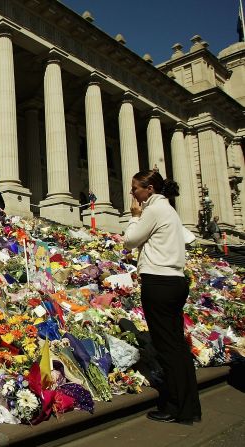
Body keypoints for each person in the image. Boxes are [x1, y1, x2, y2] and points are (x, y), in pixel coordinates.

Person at [123, 169, 201, 425]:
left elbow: (130, 240)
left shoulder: (154, 210)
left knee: (167, 348)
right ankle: (190, 406)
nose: (132, 193)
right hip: (176, 281)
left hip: (159, 282)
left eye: (135, 188)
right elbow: (187, 239)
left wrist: (135, 217)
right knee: (177, 346)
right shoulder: (169, 210)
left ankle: (175, 407)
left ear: (150, 189)